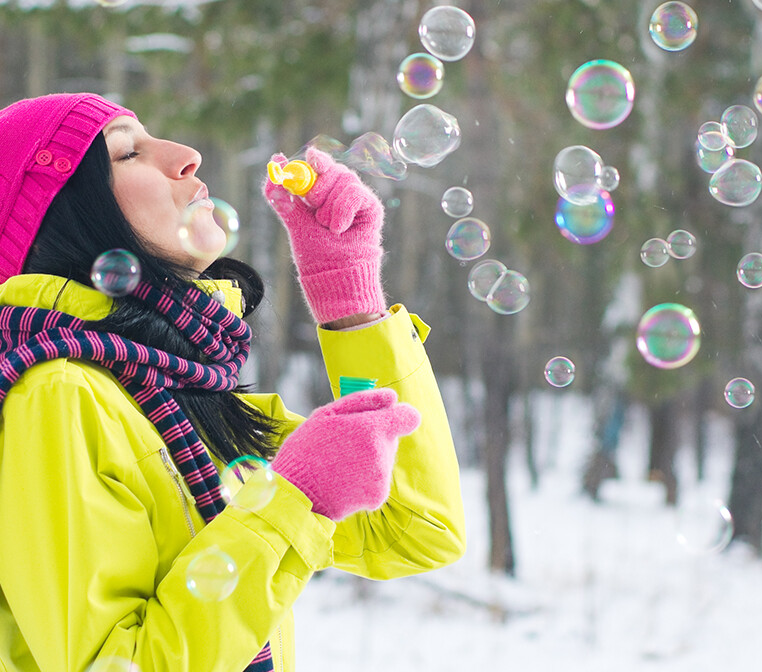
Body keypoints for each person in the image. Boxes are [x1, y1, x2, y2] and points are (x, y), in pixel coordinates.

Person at [0, 93, 465, 672]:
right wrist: (293, 498)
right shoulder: (59, 395)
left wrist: (351, 300)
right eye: (127, 153)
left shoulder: (184, 396)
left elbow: (414, 527)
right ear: (64, 223)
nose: (187, 155)